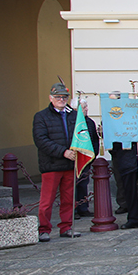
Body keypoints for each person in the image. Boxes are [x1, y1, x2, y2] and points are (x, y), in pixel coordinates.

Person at [33, 82, 98, 241]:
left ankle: (66, 227)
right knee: (47, 201)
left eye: (64, 97)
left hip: (70, 165)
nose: (61, 99)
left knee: (69, 199)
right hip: (52, 165)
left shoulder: (74, 116)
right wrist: (64, 152)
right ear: (51, 98)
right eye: (57, 97)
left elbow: (81, 135)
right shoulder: (41, 116)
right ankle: (44, 229)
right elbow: (41, 140)